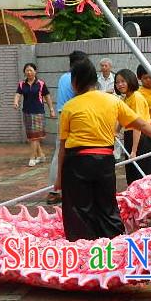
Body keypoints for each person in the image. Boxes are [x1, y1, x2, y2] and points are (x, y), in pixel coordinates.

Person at [56, 59, 151, 241]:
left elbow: (63, 146)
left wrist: (59, 177)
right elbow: (141, 123)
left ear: (75, 81)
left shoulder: (69, 107)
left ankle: (82, 251)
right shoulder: (113, 101)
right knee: (107, 207)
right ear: (94, 80)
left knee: (78, 211)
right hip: (104, 161)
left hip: (77, 163)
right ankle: (115, 246)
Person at [47, 50, 88, 205]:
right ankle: (59, 190)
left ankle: (55, 190)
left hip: (62, 115)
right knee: (73, 151)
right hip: (73, 116)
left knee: (61, 152)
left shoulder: (63, 77)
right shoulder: (77, 78)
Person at [115, 68, 151, 184]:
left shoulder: (136, 97)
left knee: (141, 174)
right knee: (132, 174)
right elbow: (123, 118)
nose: (120, 85)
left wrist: (134, 150)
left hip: (141, 138)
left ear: (130, 80)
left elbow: (138, 125)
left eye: (123, 81)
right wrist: (116, 131)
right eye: (117, 82)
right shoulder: (126, 98)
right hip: (130, 136)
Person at [13, 62, 55, 167]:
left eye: (31, 70)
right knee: (32, 136)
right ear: (24, 72)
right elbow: (18, 94)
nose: (29, 72)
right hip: (27, 112)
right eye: (27, 70)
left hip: (38, 113)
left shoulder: (41, 83)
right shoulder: (22, 84)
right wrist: (16, 101)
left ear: (35, 72)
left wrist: (51, 109)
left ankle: (32, 157)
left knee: (34, 137)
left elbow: (47, 96)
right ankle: (41, 155)